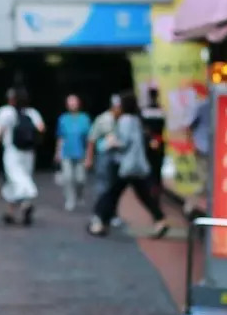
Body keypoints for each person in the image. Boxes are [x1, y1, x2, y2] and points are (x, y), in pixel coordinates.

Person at [88, 91, 169, 238]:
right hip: (138, 165)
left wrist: (112, 142)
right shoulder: (137, 120)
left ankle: (99, 220)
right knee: (142, 194)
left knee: (111, 193)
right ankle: (160, 220)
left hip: (125, 165)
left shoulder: (124, 120)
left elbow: (124, 143)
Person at [0, 86, 45, 225]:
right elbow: (41, 128)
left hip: (12, 150)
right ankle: (11, 212)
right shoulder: (32, 112)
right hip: (28, 151)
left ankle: (26, 203)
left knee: (15, 178)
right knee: (20, 177)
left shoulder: (5, 112)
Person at [85, 94, 124, 228]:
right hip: (104, 156)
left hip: (117, 157)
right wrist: (89, 158)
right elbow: (92, 139)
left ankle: (111, 214)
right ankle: (99, 213)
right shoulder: (103, 119)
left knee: (114, 187)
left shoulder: (123, 120)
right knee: (103, 186)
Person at [54, 94, 92, 212]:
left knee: (81, 179)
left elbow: (90, 138)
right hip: (66, 152)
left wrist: (89, 155)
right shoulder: (63, 119)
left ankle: (79, 195)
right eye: (70, 103)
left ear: (78, 103)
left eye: (74, 102)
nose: (72, 105)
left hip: (81, 152)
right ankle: (70, 199)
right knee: (68, 177)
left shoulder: (85, 118)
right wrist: (57, 152)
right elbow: (61, 137)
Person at [141, 87, 166, 199]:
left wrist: (151, 139)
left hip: (150, 141)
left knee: (152, 166)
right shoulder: (161, 110)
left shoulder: (145, 110)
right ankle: (155, 188)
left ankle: (152, 188)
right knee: (157, 166)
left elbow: (144, 128)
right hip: (158, 141)